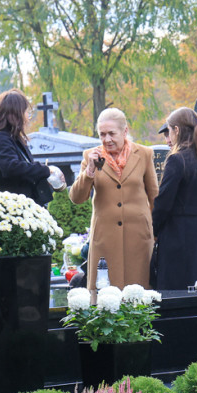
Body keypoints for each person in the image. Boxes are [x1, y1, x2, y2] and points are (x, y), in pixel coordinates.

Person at [69, 108, 159, 293]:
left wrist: (156, 233)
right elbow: (77, 198)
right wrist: (90, 172)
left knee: (138, 295)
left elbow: (154, 195)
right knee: (105, 295)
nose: (107, 139)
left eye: (111, 133)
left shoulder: (144, 154)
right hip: (105, 239)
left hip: (139, 238)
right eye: (102, 134)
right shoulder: (90, 156)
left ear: (124, 131)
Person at [151, 107, 197, 290]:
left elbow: (164, 202)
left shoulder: (177, 159)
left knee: (179, 291)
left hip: (180, 235)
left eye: (170, 130)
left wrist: (154, 229)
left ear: (177, 130)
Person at [0, 89, 65, 205]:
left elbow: (24, 172)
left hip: (22, 205)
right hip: (8, 207)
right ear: (16, 114)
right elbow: (12, 168)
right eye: (26, 112)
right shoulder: (0, 139)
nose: (28, 117)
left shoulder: (13, 139)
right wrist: (46, 170)